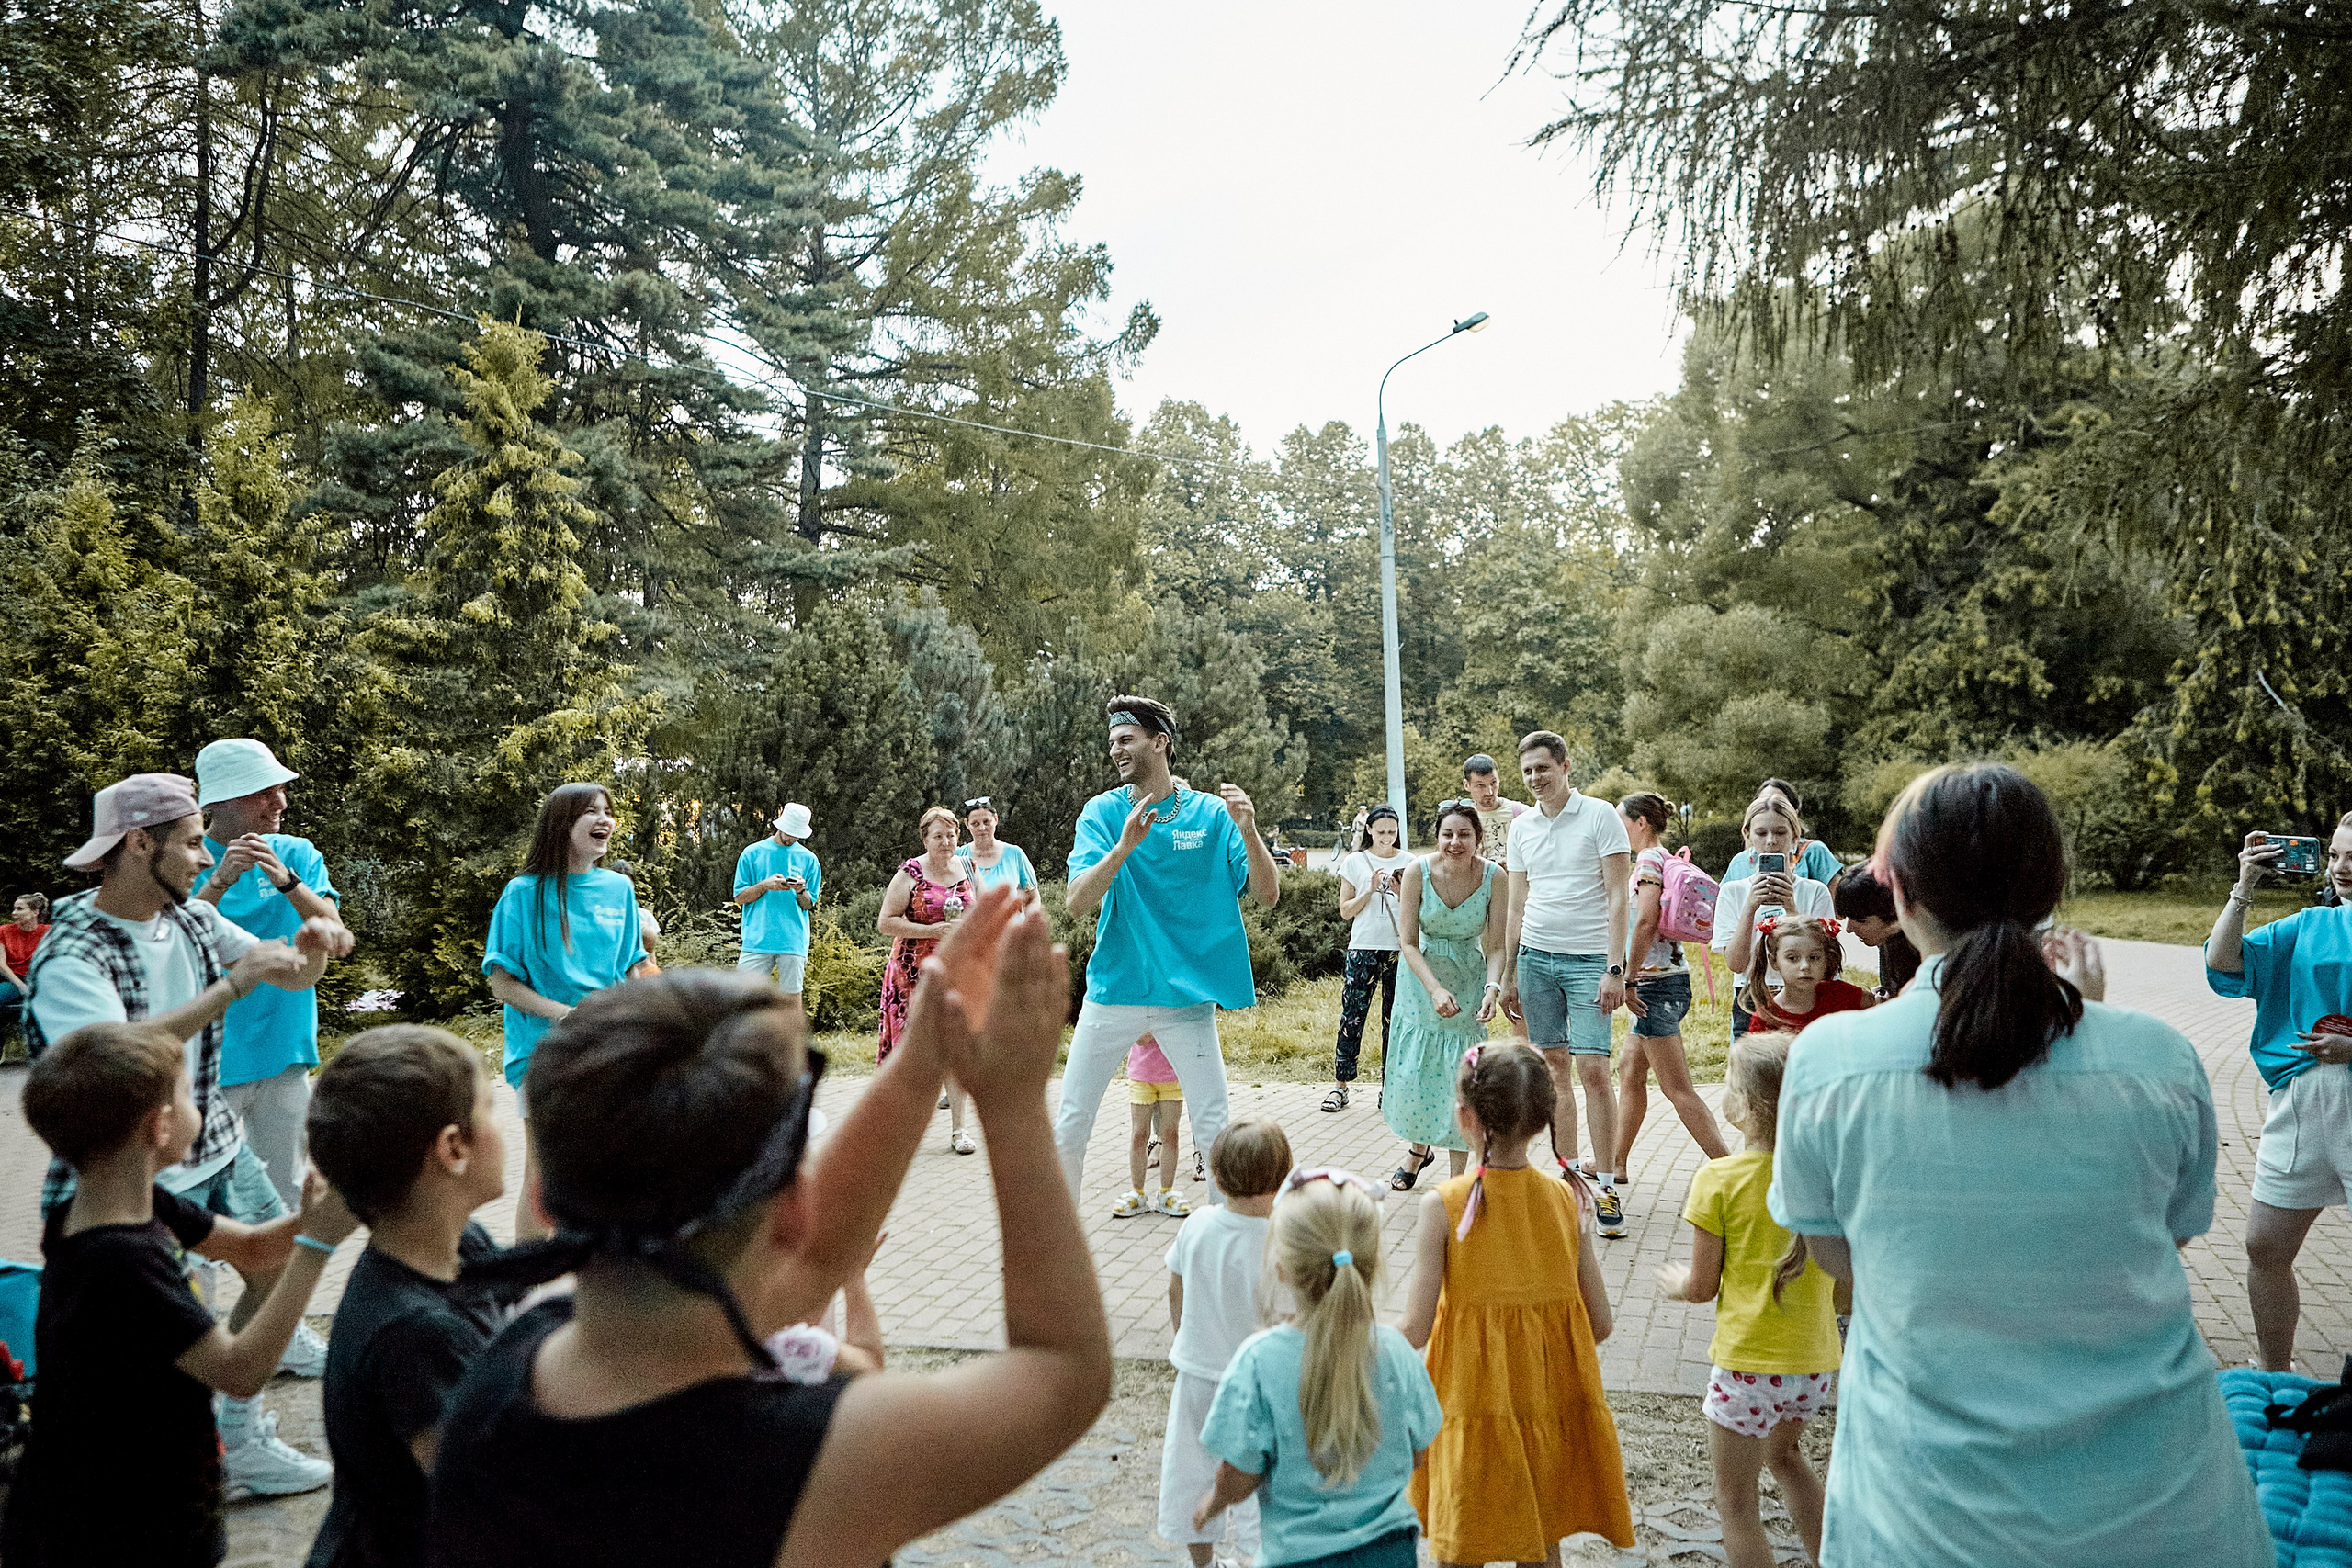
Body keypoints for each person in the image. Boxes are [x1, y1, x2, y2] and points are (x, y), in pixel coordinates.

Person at [426, 888, 1116, 1568]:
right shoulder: (830, 1452)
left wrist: (919, 1059)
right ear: (794, 1207)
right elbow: (1063, 1370)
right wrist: (1013, 1102)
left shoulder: (505, 1363)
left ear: (544, 1196)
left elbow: (810, 1258)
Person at [1770, 762, 2271, 1567]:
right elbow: (2160, 1238)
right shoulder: (2159, 1059)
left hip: (1924, 1521)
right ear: (2054, 885)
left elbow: (1842, 1260)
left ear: (1896, 890)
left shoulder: (1830, 1060)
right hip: (2167, 1516)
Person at [25, 772, 353, 1497]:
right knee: (174, 1342)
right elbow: (109, 1061)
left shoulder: (191, 921)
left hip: (216, 1143)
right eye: (194, 842)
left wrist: (315, 941)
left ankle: (239, 1442)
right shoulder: (74, 946)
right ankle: (179, 1463)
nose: (208, 859)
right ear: (140, 845)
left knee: (272, 1271)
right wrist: (233, 988)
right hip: (130, 1169)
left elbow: (294, 976)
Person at [5, 1021, 359, 1567]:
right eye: (192, 1091)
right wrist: (317, 1244)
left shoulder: (127, 1202)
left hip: (146, 1502)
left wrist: (320, 1210)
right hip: (115, 1528)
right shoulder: (119, 1260)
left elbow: (255, 1250)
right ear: (161, 1126)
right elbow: (239, 1370)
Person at [1399, 1042, 1634, 1565]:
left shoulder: (1442, 1205)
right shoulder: (1565, 1201)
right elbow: (1600, 1324)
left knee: (1460, 1541)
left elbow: (1415, 1328)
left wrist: (1352, 1340)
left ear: (1465, 1116)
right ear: (1545, 1117)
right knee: (1540, 1537)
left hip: (1469, 1405)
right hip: (1545, 1405)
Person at [303, 1024, 522, 1568]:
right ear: (452, 1148)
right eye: (488, 1111)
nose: (501, 1127)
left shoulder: (463, 1245)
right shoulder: (414, 1334)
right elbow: (491, 1498)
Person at [1058, 696, 1279, 1204]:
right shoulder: (1103, 811)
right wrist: (1123, 848)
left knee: (1214, 1127)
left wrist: (1249, 830)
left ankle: (1227, 1234)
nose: (1115, 750)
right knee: (1072, 1122)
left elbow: (1267, 895)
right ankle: (1054, 1244)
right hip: (1116, 990)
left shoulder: (1210, 814)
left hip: (1186, 1001)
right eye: (1112, 741)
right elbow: (1075, 902)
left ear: (1160, 743)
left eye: (1125, 739)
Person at [1193, 1169, 1442, 1568]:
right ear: (1372, 1262)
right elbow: (1416, 1453)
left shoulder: (1260, 1360)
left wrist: (1213, 1502)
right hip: (1390, 1554)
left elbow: (1238, 1476)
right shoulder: (1396, 1352)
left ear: (1282, 1268)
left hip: (1296, 1556)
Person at [1657, 1032, 1839, 1568]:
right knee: (1788, 1459)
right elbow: (1844, 1280)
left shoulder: (1718, 1178)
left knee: (1736, 1504)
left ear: (1745, 1105)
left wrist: (1676, 1284)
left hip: (1746, 1368)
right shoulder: (1824, 1176)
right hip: (1813, 1366)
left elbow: (1702, 1285)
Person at [2206, 811, 2352, 1371]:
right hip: (2301, 1105)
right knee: (2264, 1248)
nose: (2341, 868)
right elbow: (2223, 961)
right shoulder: (2309, 924)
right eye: (2335, 855)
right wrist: (2244, 886)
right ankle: (2275, 1374)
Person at [483, 782, 650, 1243]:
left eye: (607, 812)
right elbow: (502, 982)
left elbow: (631, 969)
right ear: (562, 824)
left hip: (610, 1047)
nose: (604, 820)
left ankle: (595, 1287)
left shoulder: (618, 889)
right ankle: (529, 1291)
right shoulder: (523, 894)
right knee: (545, 1176)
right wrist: (564, 1014)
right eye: (589, 812)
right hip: (543, 1052)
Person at [195, 739, 344, 1228]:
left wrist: (287, 882)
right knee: (196, 1202)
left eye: (279, 790)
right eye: (263, 792)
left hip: (282, 1047)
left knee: (286, 1195)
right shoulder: (185, 858)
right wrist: (217, 882)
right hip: (206, 1058)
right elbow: (175, 939)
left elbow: (335, 929)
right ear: (220, 802)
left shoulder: (297, 853)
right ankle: (194, 1304)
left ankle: (281, 1303)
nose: (279, 803)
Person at [1499, 730, 1633, 1237]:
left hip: (1589, 962)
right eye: (1528, 771)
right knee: (1553, 1069)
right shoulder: (1522, 827)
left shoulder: (1600, 816)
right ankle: (1570, 1179)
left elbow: (1620, 898)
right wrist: (1510, 973)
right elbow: (1516, 905)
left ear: (1565, 766)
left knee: (1595, 1069)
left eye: (1543, 768)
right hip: (1535, 958)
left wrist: (1615, 968)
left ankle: (1606, 1187)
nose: (1535, 778)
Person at [1159, 1118, 1290, 1567]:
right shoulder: (1284, 1240)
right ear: (1282, 1175)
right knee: (1261, 1472)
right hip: (1262, 1382)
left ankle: (1204, 1563)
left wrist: (1184, 1336)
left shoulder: (1196, 1225)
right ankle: (1258, 1558)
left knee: (1192, 1469)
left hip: (1198, 1372)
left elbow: (1175, 1287)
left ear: (1217, 1174)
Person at [1381, 802, 1504, 1192]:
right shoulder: (1417, 871)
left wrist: (1492, 987)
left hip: (1469, 978)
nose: (1455, 842)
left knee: (1461, 1078)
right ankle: (1418, 1151)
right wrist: (1434, 988)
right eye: (1447, 834)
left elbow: (1497, 945)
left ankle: (1458, 1184)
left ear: (1477, 839)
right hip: (1421, 981)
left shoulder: (1494, 877)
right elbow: (1407, 942)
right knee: (1420, 1074)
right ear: (1437, 837)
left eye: (1464, 834)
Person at [1614, 793, 1729, 1178]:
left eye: (1622, 821)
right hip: (1669, 982)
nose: (1619, 829)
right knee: (1630, 1071)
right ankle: (1616, 1164)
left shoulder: (1648, 860)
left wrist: (1628, 978)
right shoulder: (1668, 859)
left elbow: (1647, 920)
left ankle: (1729, 1169)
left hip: (1653, 986)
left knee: (1677, 1088)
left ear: (1641, 822)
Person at [877, 807, 978, 1153]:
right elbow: (886, 922)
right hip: (911, 972)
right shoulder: (911, 872)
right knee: (910, 1052)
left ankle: (959, 1131)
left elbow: (977, 914)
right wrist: (931, 929)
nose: (946, 841)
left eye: (951, 835)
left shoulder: (967, 867)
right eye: (938, 836)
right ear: (925, 839)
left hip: (955, 972)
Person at [1713, 795, 1835, 1040]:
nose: (1771, 841)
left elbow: (1827, 963)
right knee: (1755, 1074)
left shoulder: (1814, 891)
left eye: (1780, 832)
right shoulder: (1733, 891)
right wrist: (1749, 908)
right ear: (1747, 835)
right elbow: (1736, 964)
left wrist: (1792, 909)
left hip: (1806, 995)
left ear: (1794, 836)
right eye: (1761, 833)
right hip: (1753, 995)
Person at [1325, 804, 1408, 1112]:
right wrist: (1370, 890)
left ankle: (1390, 1088)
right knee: (1352, 1016)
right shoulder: (1356, 861)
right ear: (1369, 830)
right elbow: (1345, 910)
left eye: (1392, 831)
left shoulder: (1410, 862)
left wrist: (1400, 891)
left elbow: (1417, 909)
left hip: (1400, 949)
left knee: (1395, 1021)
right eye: (1381, 831)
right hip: (1363, 947)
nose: (1387, 837)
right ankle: (1340, 1086)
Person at [734, 803, 820, 1016]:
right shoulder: (752, 853)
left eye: (796, 834)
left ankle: (793, 1044)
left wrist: (801, 890)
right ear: (780, 826)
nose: (792, 838)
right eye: (789, 832)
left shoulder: (810, 860)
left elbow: (809, 905)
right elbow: (739, 897)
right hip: (757, 938)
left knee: (791, 999)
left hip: (793, 939)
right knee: (743, 997)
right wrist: (765, 885)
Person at [1742, 915, 1874, 1034]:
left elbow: (1881, 1009)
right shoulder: (1766, 1020)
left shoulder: (1842, 995)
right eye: (1792, 958)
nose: (1805, 966)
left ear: (1825, 959)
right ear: (1774, 961)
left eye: (1814, 957)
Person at [1118, 1033, 1189, 1218]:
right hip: (1141, 1075)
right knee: (1139, 1134)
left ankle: (1166, 1192)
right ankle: (1137, 1193)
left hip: (1171, 1075)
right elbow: (1140, 1037)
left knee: (1170, 1135)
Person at [1828, 861, 1921, 998]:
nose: (1849, 929)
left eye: (1861, 921)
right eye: (1848, 918)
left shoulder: (1921, 950)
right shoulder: (1888, 939)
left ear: (1895, 915)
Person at [1722, 779, 1841, 885]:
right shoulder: (1740, 862)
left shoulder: (1814, 852)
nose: (1771, 841)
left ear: (1794, 813)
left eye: (1780, 803)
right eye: (1761, 833)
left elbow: (1837, 905)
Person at [958, 797, 1038, 899]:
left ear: (996, 819)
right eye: (975, 824)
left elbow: (1033, 897)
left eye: (986, 822)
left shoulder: (1015, 854)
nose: (982, 828)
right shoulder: (959, 856)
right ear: (966, 824)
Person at [0, 892, 51, 1045]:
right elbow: (1, 964)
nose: (14, 913)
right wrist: (21, 986)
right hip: (12, 978)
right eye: (14, 909)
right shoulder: (4, 931)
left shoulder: (48, 932)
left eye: (20, 909)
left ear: (35, 912)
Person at [1461, 754, 1525, 870]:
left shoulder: (1521, 812)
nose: (1489, 792)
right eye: (1480, 785)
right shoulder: (1461, 819)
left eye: (1493, 783)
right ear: (1467, 785)